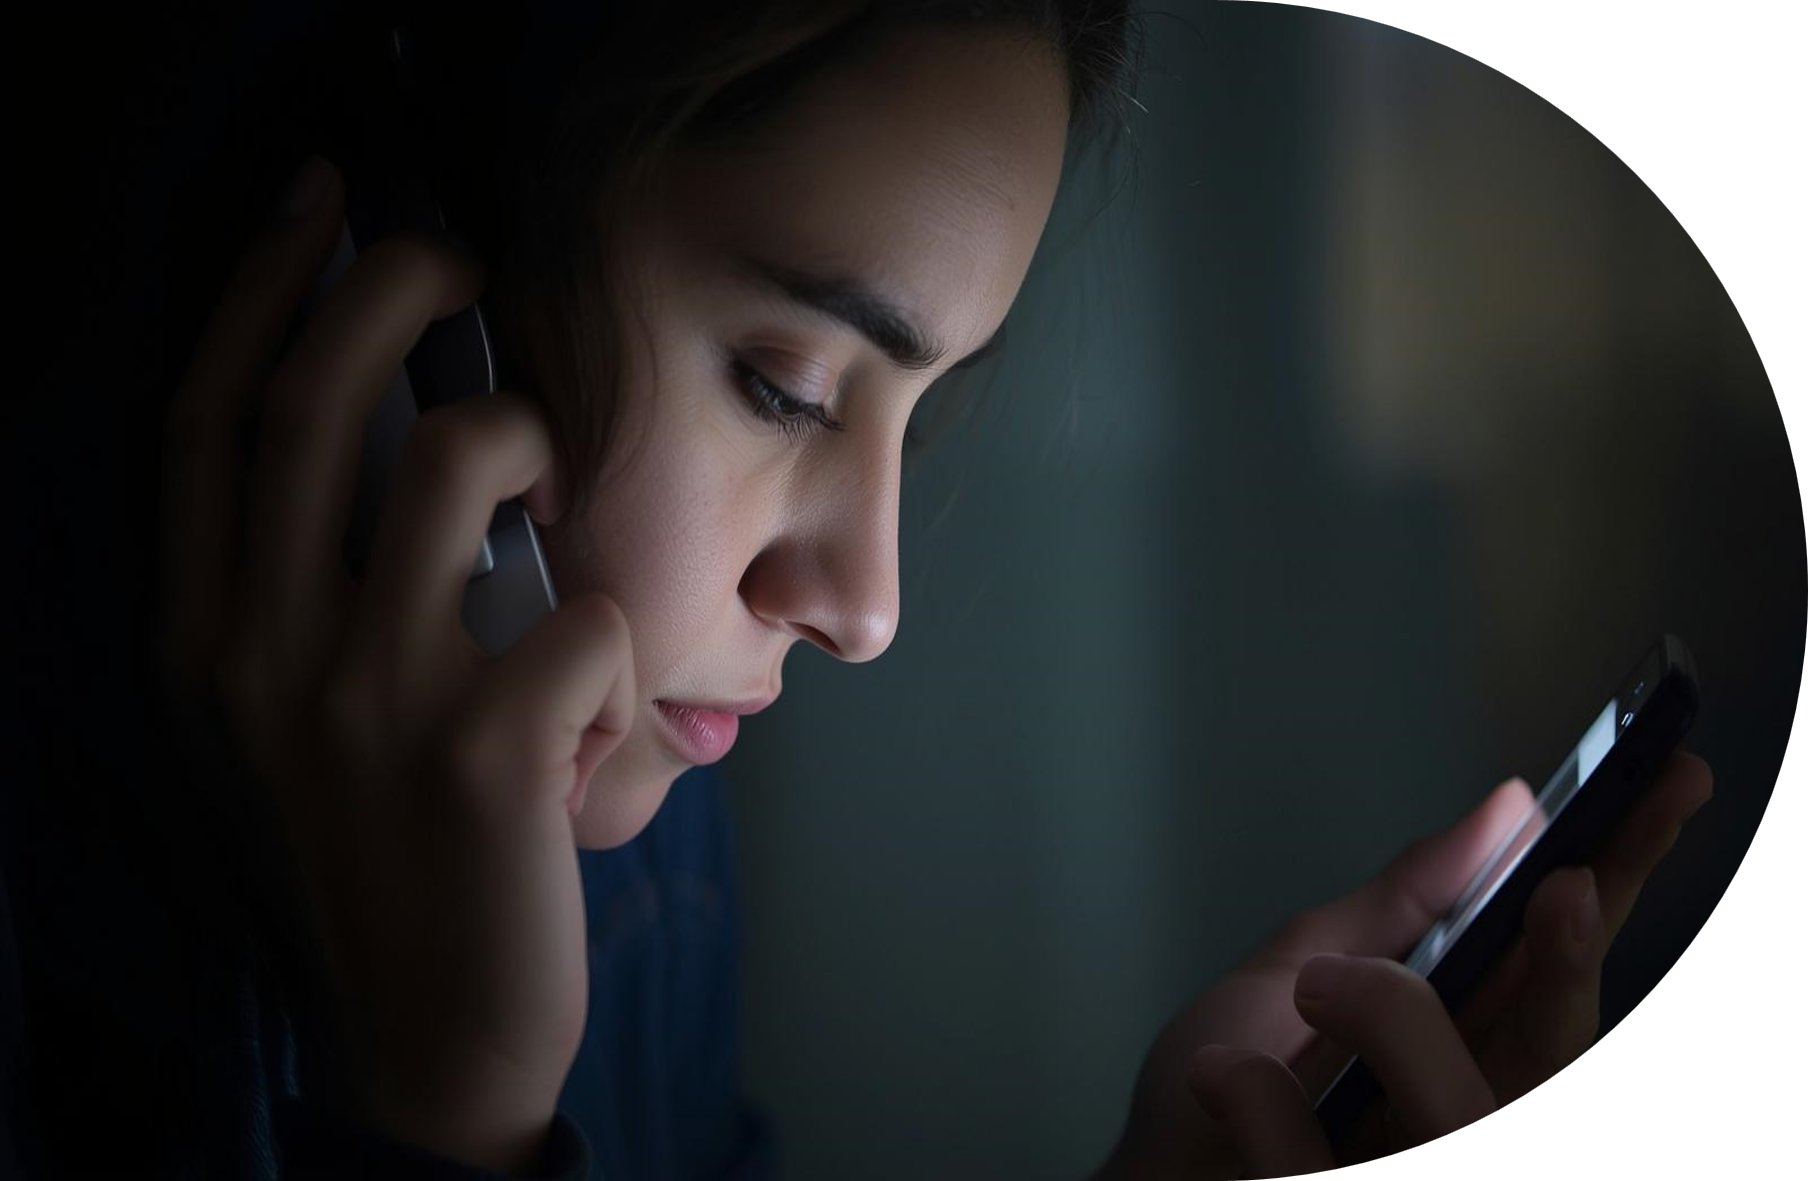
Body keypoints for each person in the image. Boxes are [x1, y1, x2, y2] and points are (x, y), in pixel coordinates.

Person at [2, 1, 1714, 1178]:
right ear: (410, 289)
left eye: (926, 407)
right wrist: (444, 1116)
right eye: (790, 388)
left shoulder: (630, 838)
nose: (865, 603)